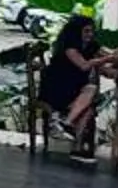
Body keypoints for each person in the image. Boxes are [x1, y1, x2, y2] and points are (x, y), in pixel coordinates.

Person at [38, 13, 113, 155]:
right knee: (91, 89)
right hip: (57, 89)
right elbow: (84, 65)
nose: (90, 34)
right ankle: (66, 124)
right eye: (86, 31)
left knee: (89, 107)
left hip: (74, 89)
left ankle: (77, 148)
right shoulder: (69, 47)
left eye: (92, 31)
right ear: (76, 31)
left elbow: (109, 55)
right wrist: (110, 58)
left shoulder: (91, 46)